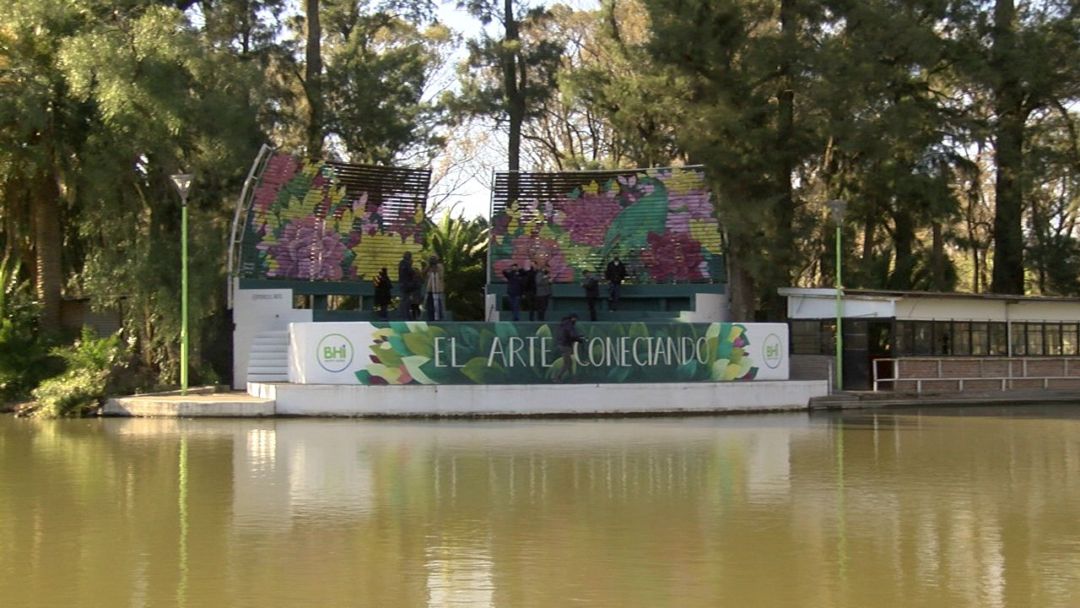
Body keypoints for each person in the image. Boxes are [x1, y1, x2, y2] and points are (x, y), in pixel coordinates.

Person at [554, 313, 585, 383]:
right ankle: (557, 377)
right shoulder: (569, 325)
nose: (576, 321)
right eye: (575, 319)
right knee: (567, 363)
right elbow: (572, 335)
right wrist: (579, 339)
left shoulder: (563, 324)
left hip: (561, 344)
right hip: (566, 345)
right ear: (573, 318)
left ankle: (573, 379)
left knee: (569, 362)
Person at [397, 251, 419, 320]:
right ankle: (404, 316)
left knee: (406, 300)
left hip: (406, 285)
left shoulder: (403, 263)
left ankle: (406, 315)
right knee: (405, 300)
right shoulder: (404, 264)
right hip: (405, 285)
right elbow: (410, 272)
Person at [425, 255, 446, 321]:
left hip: (438, 289)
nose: (432, 261)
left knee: (438, 305)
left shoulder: (440, 266)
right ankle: (430, 318)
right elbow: (423, 273)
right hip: (430, 289)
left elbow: (440, 275)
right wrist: (428, 266)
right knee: (430, 305)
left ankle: (439, 318)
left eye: (434, 259)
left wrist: (435, 266)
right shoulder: (428, 267)